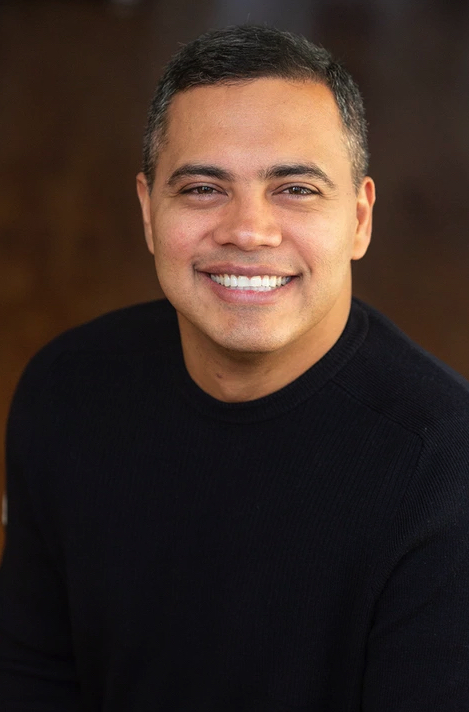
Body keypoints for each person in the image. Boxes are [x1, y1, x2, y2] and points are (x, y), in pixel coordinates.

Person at [1, 25, 469, 712]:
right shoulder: (64, 390)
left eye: (295, 189)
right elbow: (32, 676)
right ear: (148, 212)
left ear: (359, 219)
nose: (248, 230)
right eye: (201, 188)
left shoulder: (445, 468)